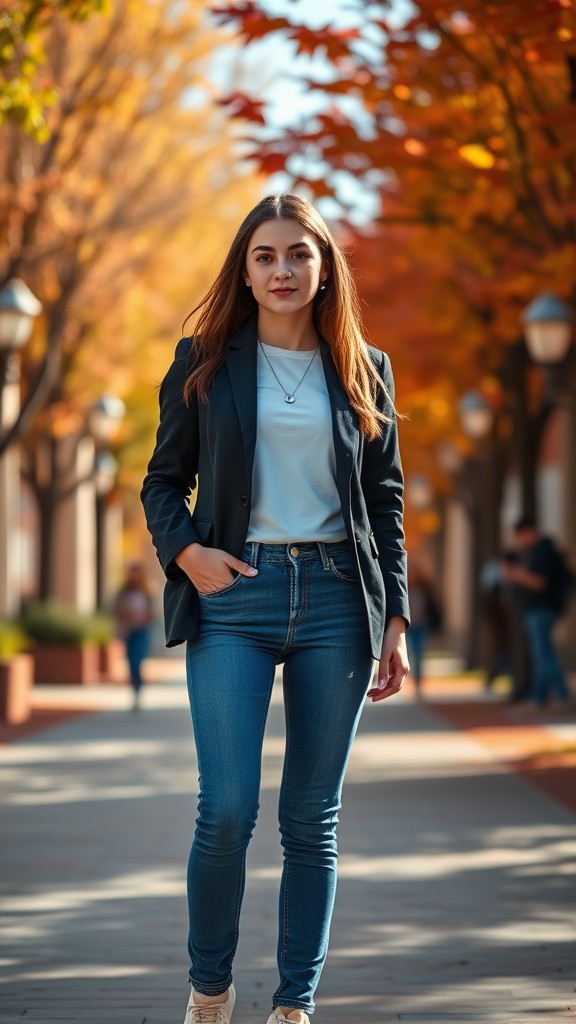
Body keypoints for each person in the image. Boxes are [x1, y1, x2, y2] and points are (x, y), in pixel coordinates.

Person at [141, 193, 410, 1024]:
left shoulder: (366, 367)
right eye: (265, 256)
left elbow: (386, 498)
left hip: (337, 600)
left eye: (299, 254)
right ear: (245, 270)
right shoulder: (205, 361)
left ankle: (294, 1006)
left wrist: (395, 615)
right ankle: (210, 989)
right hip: (236, 598)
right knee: (226, 808)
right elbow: (161, 480)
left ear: (325, 268)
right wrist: (188, 553)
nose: (282, 269)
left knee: (309, 819)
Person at [502, 516, 572, 711]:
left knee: (543, 654)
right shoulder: (538, 551)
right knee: (543, 654)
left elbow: (540, 582)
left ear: (528, 532)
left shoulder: (544, 552)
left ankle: (554, 696)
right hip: (540, 609)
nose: (520, 541)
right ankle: (546, 697)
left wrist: (517, 575)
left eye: (520, 536)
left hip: (542, 609)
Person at [114, 560, 154, 710]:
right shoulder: (123, 591)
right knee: (131, 662)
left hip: (142, 630)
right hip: (128, 630)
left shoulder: (147, 591)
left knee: (138, 660)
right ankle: (134, 689)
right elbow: (116, 609)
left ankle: (138, 689)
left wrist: (145, 616)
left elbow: (153, 612)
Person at [406, 562, 440, 698]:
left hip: (421, 625)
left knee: (419, 653)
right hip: (407, 625)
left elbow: (433, 606)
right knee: (408, 652)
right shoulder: (403, 588)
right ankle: (408, 677)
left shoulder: (425, 589)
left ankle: (418, 682)